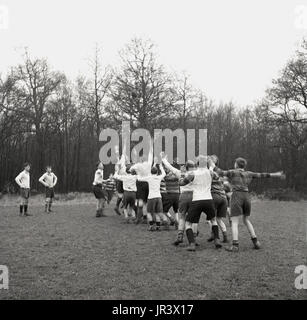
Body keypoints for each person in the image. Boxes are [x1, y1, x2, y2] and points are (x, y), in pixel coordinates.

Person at [214, 157, 285, 252]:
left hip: (237, 196)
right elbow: (263, 175)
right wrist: (276, 174)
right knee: (246, 219)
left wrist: (211, 164)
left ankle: (235, 246)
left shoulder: (233, 172)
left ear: (236, 164)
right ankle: (256, 242)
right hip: (247, 196)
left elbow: (221, 172)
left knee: (234, 221)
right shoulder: (249, 173)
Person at [177, 155, 222, 251]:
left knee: (188, 223)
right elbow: (217, 178)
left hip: (197, 200)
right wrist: (212, 167)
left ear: (197, 163)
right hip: (208, 200)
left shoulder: (193, 173)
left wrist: (181, 175)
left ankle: (192, 244)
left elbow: (181, 183)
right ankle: (217, 240)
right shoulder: (210, 173)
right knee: (213, 220)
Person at [161, 156, 197, 246]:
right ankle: (194, 238)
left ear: (186, 167)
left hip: (183, 196)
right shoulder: (197, 173)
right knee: (194, 218)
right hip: (194, 196)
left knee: (182, 217)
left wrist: (163, 159)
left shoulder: (180, 173)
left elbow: (169, 167)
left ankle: (180, 236)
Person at [137, 163, 166, 231]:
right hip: (159, 197)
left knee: (149, 212)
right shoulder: (159, 177)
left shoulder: (149, 178)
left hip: (151, 197)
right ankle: (158, 226)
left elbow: (139, 179)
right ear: (157, 172)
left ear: (151, 172)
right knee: (157, 212)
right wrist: (161, 167)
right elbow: (164, 174)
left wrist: (138, 172)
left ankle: (151, 226)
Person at [207, 155, 229, 243]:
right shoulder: (221, 172)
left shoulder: (210, 172)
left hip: (215, 196)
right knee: (219, 219)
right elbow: (226, 185)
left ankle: (214, 235)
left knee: (211, 218)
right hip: (224, 197)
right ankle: (225, 236)